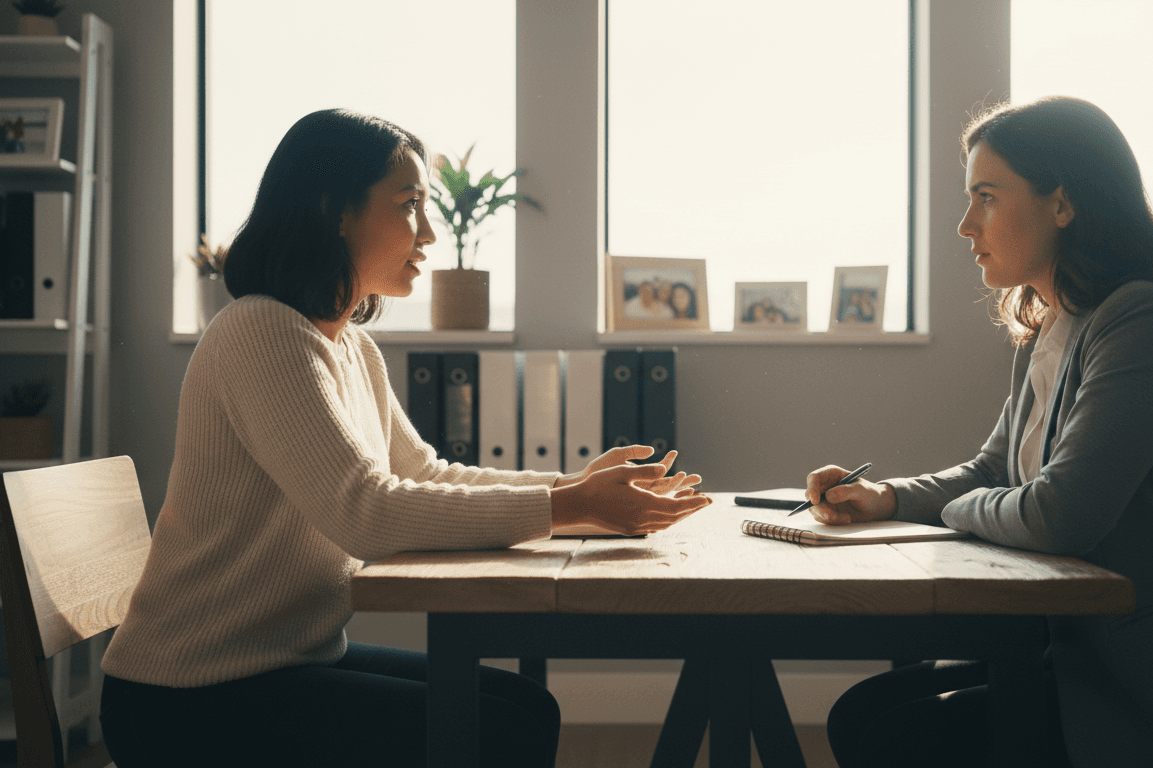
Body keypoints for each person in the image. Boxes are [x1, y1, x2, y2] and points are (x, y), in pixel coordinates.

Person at [98, 109, 712, 768]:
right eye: (410, 206)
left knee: (526, 710)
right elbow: (367, 511)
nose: (429, 233)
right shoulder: (260, 332)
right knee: (499, 731)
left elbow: (427, 473)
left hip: (278, 666)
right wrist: (575, 507)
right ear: (335, 211)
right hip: (187, 698)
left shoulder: (348, 346)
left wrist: (577, 488)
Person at [805, 97, 1153, 768]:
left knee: (894, 739)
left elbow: (1059, 514)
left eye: (985, 197)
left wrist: (953, 514)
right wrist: (888, 498)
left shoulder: (1144, 322)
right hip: (1087, 659)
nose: (964, 225)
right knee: (862, 716)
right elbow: (993, 473)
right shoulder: (1054, 323)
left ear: (1063, 203)